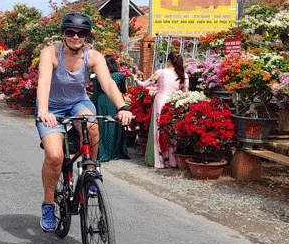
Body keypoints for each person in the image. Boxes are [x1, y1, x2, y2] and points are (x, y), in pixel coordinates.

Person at [36, 13, 133, 232]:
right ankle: (49, 205)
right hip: (51, 107)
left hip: (78, 102)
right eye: (70, 32)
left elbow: (107, 83)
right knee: (54, 156)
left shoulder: (93, 56)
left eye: (81, 33)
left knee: (92, 126)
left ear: (87, 36)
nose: (75, 37)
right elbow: (43, 82)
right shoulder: (50, 53)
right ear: (63, 34)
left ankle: (90, 170)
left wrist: (123, 107)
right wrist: (43, 111)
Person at [138, 50, 188, 169]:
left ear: (169, 61)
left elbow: (145, 84)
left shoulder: (160, 72)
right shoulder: (183, 75)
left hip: (160, 102)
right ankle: (172, 160)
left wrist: (136, 80)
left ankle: (158, 159)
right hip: (174, 103)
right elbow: (186, 92)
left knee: (158, 130)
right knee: (171, 130)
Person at [91, 54, 129, 162]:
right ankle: (115, 151)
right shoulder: (120, 76)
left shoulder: (98, 77)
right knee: (115, 126)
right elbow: (123, 90)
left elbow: (95, 93)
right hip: (115, 102)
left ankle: (102, 152)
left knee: (102, 127)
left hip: (101, 101)